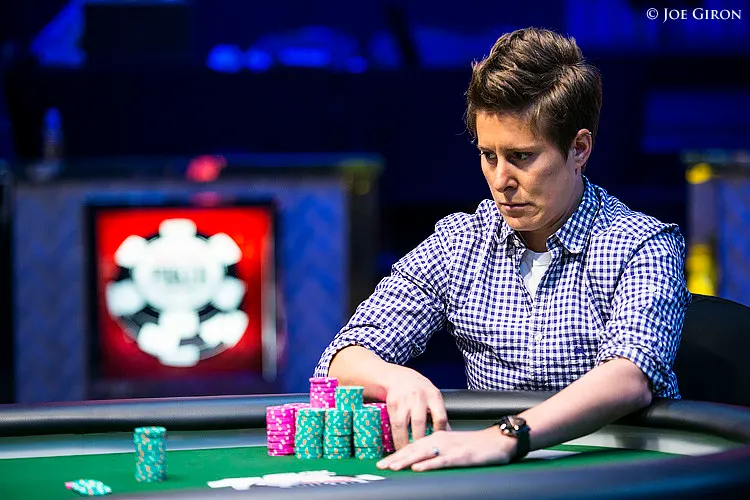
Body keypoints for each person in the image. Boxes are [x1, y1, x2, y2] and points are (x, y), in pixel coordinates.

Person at [313, 27, 690, 472]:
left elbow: (628, 378)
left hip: (617, 474)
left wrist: (506, 437)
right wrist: (394, 378)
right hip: (494, 477)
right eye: (489, 155)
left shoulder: (642, 244)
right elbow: (341, 358)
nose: (500, 180)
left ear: (579, 149)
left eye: (522, 157)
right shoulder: (461, 242)